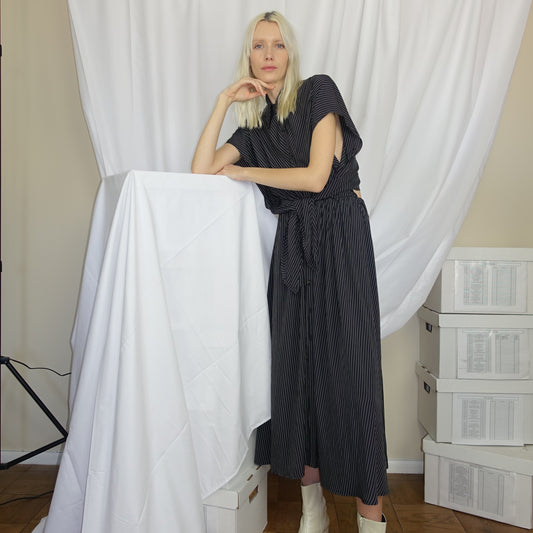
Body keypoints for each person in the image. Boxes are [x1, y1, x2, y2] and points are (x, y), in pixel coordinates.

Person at [192, 11, 388, 533]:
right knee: (296, 373)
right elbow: (200, 169)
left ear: (290, 53)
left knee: (351, 376)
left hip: (341, 236)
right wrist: (223, 101)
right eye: (259, 46)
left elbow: (318, 176)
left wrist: (244, 171)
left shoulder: (318, 92)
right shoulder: (255, 128)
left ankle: (371, 520)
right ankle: (312, 511)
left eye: (278, 44)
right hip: (294, 248)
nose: (269, 54)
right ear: (249, 57)